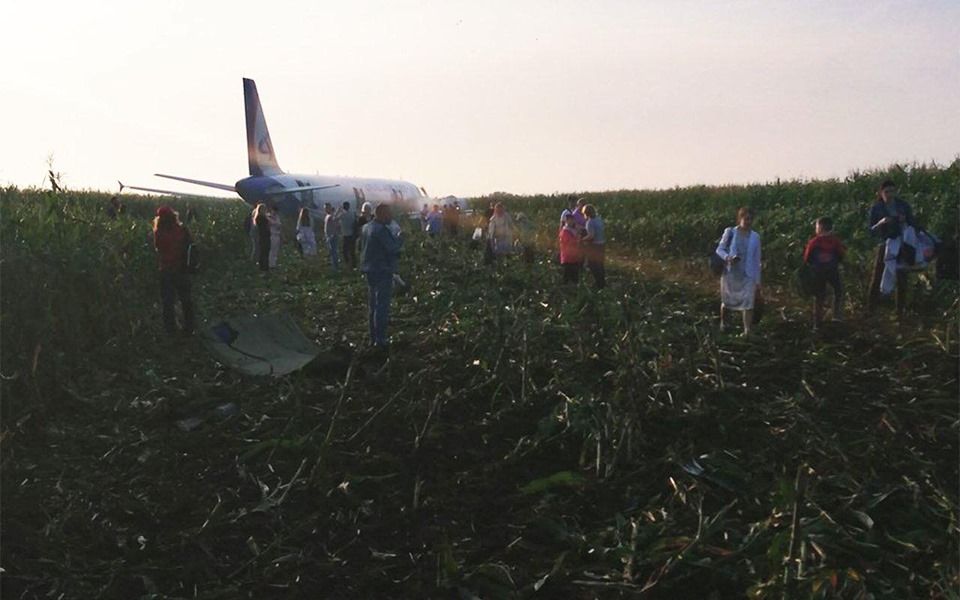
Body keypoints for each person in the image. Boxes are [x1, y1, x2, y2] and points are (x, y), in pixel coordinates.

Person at [867, 179, 914, 314]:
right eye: (887, 192)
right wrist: (880, 223)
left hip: (902, 243)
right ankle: (871, 309)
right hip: (884, 243)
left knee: (902, 275)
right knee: (877, 275)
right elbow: (870, 230)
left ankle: (900, 310)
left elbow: (913, 223)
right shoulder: (876, 208)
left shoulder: (903, 205)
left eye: (892, 191)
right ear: (881, 193)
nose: (890, 194)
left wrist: (904, 220)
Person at [361, 204, 403, 349]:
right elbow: (394, 249)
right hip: (382, 270)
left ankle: (373, 338)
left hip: (369, 269)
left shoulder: (366, 227)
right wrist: (400, 239)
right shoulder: (381, 230)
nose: (390, 217)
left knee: (372, 305)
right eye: (389, 214)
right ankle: (380, 340)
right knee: (382, 306)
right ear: (382, 214)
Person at [716, 207, 762, 336]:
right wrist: (728, 258)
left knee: (748, 301)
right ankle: (724, 323)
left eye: (751, 219)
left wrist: (758, 281)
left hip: (748, 274)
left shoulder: (755, 236)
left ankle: (747, 330)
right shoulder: (730, 232)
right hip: (731, 272)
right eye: (746, 219)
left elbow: (757, 259)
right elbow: (719, 249)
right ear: (740, 218)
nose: (748, 222)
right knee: (727, 300)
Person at [153, 206, 194, 335]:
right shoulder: (182, 230)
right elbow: (191, 246)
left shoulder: (159, 232)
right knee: (186, 299)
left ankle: (171, 330)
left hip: (166, 270)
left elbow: (158, 249)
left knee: (168, 302)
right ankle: (189, 327)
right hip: (182, 269)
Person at [803, 216, 846, 330]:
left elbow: (807, 257)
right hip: (832, 270)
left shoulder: (814, 242)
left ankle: (817, 323)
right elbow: (841, 255)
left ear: (820, 228)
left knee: (819, 297)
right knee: (838, 291)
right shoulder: (835, 241)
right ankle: (836, 316)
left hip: (818, 272)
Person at [582, 204, 606, 289]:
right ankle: (602, 282)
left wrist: (582, 239)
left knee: (592, 265)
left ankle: (598, 283)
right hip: (602, 244)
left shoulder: (590, 222)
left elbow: (591, 236)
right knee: (600, 264)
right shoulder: (599, 219)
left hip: (594, 246)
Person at [558, 213, 582, 284]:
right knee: (567, 274)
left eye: (573, 220)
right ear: (567, 221)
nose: (572, 222)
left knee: (575, 275)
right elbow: (570, 242)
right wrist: (578, 238)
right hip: (567, 256)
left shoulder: (573, 230)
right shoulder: (565, 231)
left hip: (574, 256)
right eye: (570, 220)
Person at [253, 203, 271, 272]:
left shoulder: (259, 218)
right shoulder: (261, 218)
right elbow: (267, 225)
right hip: (264, 236)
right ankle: (264, 268)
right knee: (264, 252)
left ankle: (263, 267)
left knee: (264, 252)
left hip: (263, 236)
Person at [323, 203, 341, 271]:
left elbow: (335, 219)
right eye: (325, 208)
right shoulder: (328, 216)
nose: (325, 209)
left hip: (332, 236)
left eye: (326, 208)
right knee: (332, 251)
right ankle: (335, 266)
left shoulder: (330, 216)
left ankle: (335, 267)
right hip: (330, 236)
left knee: (333, 252)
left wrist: (338, 211)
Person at [340, 201, 358, 268]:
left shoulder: (342, 214)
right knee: (352, 251)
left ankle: (347, 263)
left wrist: (338, 210)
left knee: (345, 251)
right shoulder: (352, 214)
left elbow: (334, 219)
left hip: (345, 235)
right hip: (352, 234)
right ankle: (354, 265)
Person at [267, 204, 282, 269]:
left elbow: (279, 225)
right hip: (272, 235)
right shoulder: (268, 216)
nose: (275, 212)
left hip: (277, 235)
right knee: (271, 250)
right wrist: (276, 224)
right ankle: (270, 265)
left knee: (275, 250)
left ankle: (274, 264)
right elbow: (274, 223)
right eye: (274, 211)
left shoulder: (277, 217)